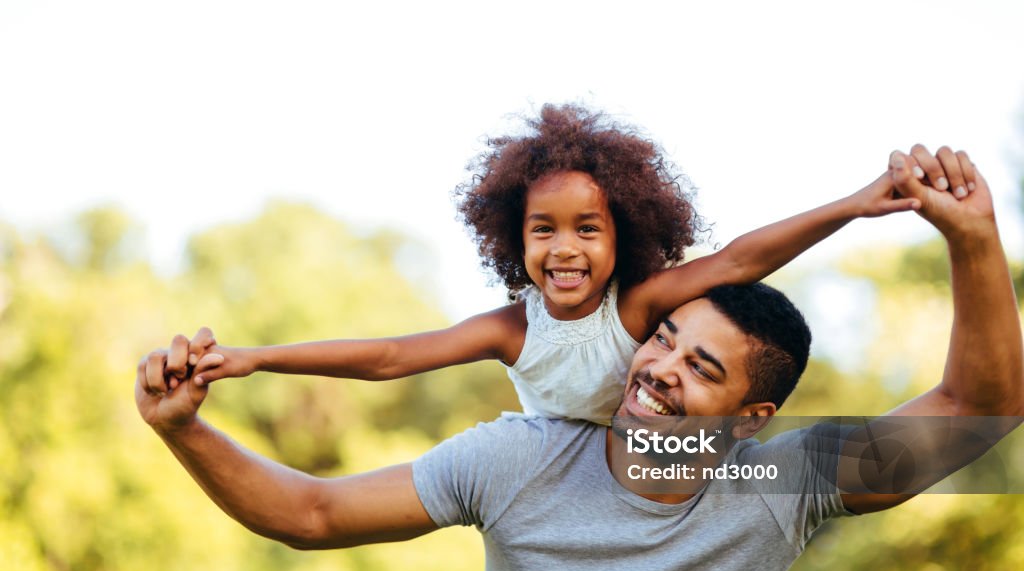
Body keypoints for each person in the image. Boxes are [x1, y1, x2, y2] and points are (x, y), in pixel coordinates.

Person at [136, 146, 1022, 571]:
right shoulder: (518, 459)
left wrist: (974, 238)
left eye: (700, 366)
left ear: (749, 418)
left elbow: (979, 410)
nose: (658, 367)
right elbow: (310, 512)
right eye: (664, 337)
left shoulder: (775, 484)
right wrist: (185, 427)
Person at [173, 104, 922, 424]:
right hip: (555, 480)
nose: (564, 249)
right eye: (543, 230)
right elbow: (393, 356)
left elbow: (740, 258)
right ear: (515, 238)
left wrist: (852, 206)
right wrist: (255, 358)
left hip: (647, 469)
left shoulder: (635, 309)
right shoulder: (512, 329)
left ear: (622, 235)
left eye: (587, 229)